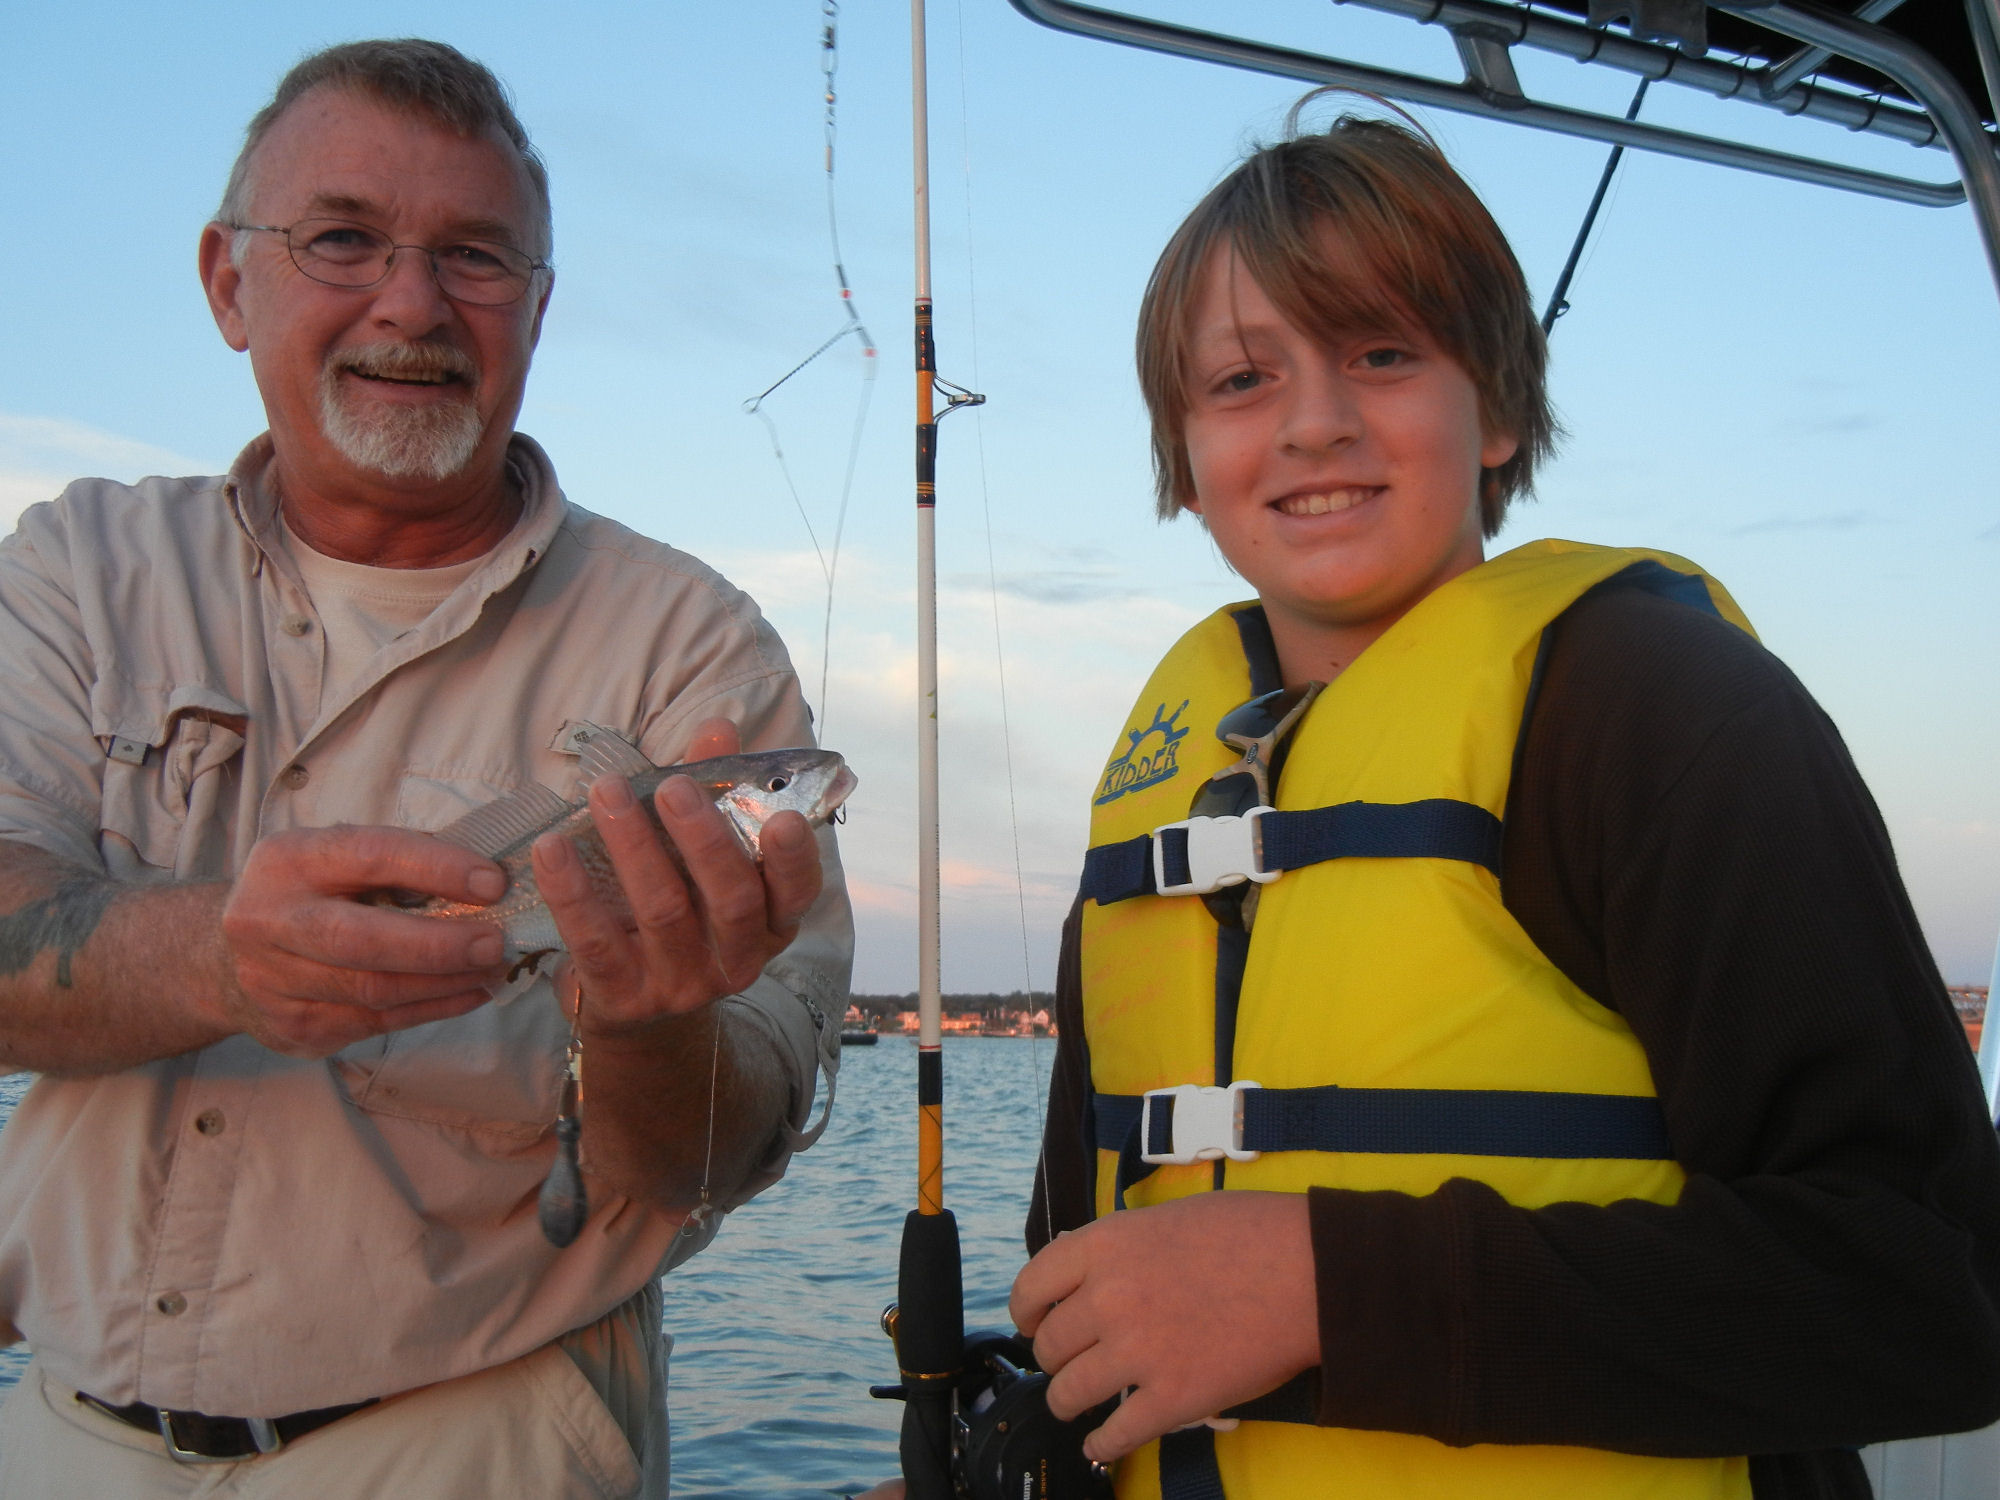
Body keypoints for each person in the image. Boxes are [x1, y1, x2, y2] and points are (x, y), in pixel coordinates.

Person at [1009, 108, 2000, 1499]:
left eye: (1384, 353)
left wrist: (1329, 1292)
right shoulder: (1165, 805)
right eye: (1242, 379)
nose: (1315, 423)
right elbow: (1092, 1291)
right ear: (1182, 450)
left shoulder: (1664, 711)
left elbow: (1930, 1290)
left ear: (1504, 408)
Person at [0, 39, 850, 1499]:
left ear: (536, 307)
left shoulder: (690, 642)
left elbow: (726, 1144)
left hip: (484, 1443)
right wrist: (222, 961)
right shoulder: (79, 566)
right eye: (342, 239)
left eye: (476, 256)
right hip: (64, 1432)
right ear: (226, 281)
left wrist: (651, 1028)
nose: (412, 302)